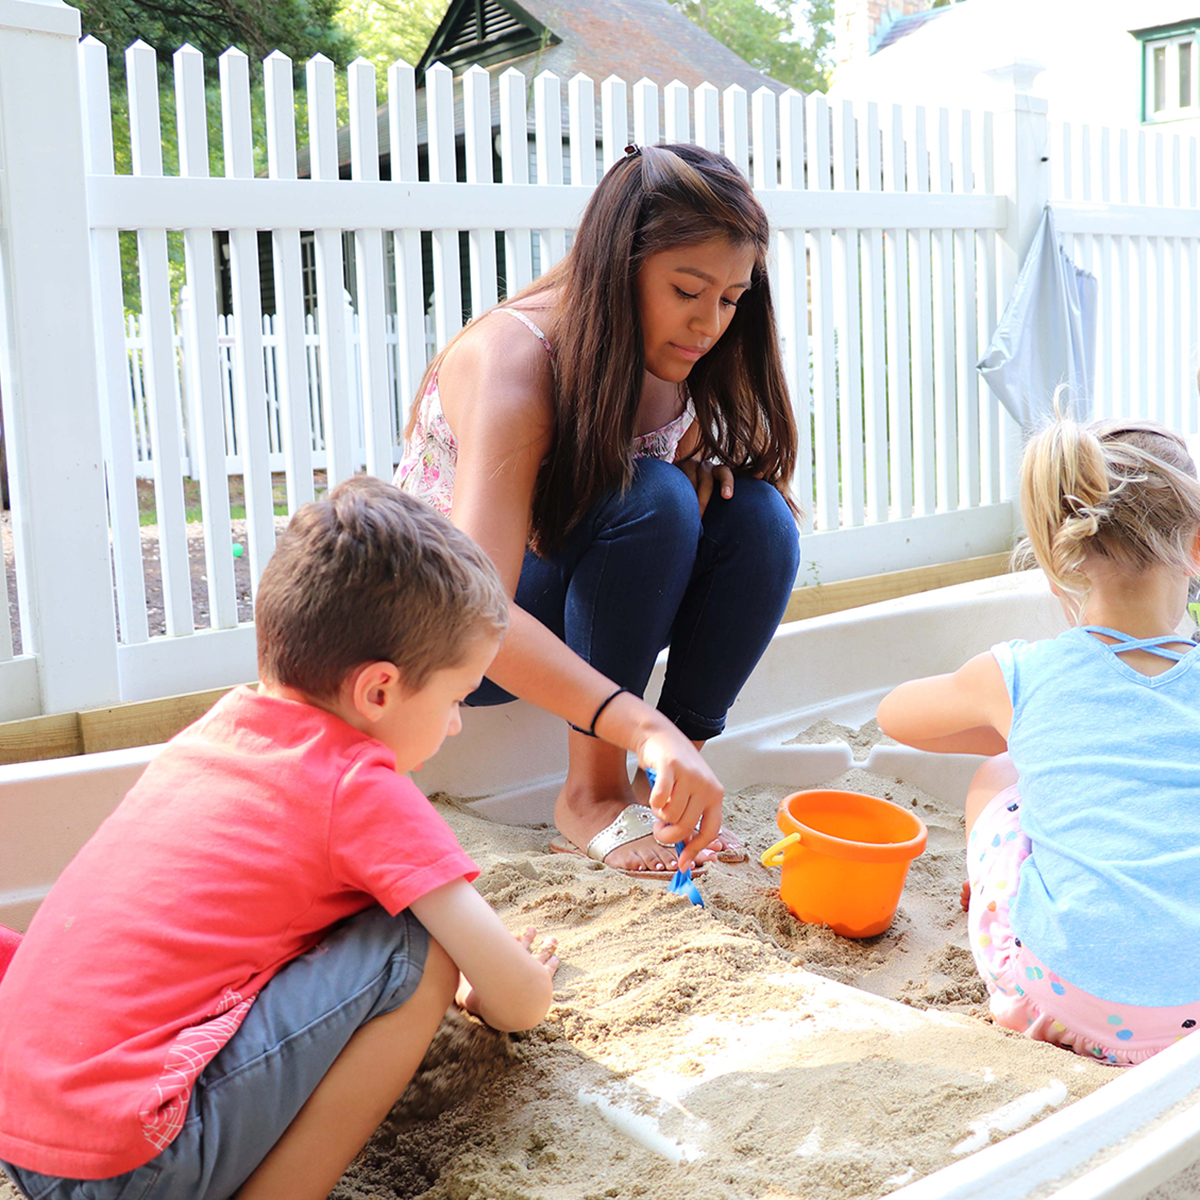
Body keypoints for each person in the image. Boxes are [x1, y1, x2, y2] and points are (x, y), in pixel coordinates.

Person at [0, 478, 559, 1200]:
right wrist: (513, 982)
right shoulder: (358, 786)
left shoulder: (217, 734)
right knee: (416, 953)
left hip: (28, 1134)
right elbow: (518, 1002)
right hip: (132, 1163)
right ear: (379, 691)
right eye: (455, 698)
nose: (455, 724)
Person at [396, 142, 801, 877]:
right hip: (454, 642)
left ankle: (670, 789)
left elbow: (626, 497)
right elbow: (472, 610)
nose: (710, 323)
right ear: (621, 266)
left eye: (731, 299)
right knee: (654, 501)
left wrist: (693, 477)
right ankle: (592, 794)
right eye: (687, 290)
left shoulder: (677, 355)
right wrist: (636, 722)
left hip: (558, 613)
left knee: (759, 519)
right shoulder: (514, 360)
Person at [877, 416, 1200, 1065]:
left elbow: (894, 715)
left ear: (1067, 550)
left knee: (997, 775)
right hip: (1189, 1025)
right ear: (1196, 548)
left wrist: (1014, 727)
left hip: (1057, 998)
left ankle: (996, 908)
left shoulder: (1021, 673)